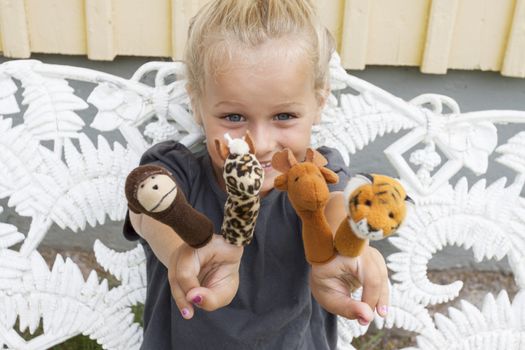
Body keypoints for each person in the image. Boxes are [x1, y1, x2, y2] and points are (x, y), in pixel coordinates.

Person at [123, 0, 389, 348]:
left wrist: (351, 247)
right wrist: (179, 252)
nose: (261, 145)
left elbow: (334, 205)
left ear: (319, 103)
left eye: (284, 116)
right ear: (197, 104)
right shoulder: (179, 173)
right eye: (234, 117)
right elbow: (148, 211)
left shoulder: (315, 179)